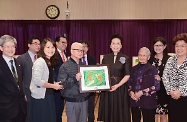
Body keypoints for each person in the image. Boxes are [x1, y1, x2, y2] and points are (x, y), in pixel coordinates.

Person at [97, 34, 131, 122]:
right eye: (113, 43)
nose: (115, 45)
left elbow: (127, 75)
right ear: (110, 45)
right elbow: (102, 73)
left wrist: (118, 85)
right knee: (108, 110)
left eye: (118, 43)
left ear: (121, 46)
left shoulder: (126, 58)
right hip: (108, 87)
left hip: (120, 88)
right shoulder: (105, 58)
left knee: (119, 111)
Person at [30, 38, 63, 122]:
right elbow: (37, 81)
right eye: (48, 47)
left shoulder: (48, 61)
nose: (50, 50)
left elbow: (46, 79)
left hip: (48, 95)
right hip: (41, 98)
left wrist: (55, 83)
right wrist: (53, 86)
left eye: (52, 47)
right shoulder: (40, 61)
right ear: (42, 48)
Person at [58, 42, 89, 122]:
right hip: (72, 100)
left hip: (84, 99)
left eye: (82, 51)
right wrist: (75, 78)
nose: (80, 52)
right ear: (71, 51)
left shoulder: (83, 65)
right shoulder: (65, 66)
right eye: (78, 50)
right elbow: (62, 84)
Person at [128, 47, 160, 122]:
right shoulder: (133, 69)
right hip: (135, 101)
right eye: (140, 55)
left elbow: (157, 86)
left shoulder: (153, 69)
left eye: (144, 55)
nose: (141, 57)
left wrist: (142, 92)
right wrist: (131, 92)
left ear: (148, 57)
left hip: (148, 101)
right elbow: (129, 84)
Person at [0, 35, 26, 122]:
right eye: (7, 46)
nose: (11, 49)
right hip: (4, 110)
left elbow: (20, 83)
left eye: (13, 46)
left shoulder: (18, 62)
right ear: (1, 48)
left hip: (21, 108)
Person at [162, 33, 187, 122]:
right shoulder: (170, 60)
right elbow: (165, 77)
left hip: (185, 97)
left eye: (182, 46)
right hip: (172, 97)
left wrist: (181, 91)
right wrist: (170, 91)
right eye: (177, 46)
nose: (179, 48)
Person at [17, 37, 40, 122]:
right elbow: (20, 78)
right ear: (29, 45)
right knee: (28, 115)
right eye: (35, 43)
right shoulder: (21, 58)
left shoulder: (41, 58)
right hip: (27, 92)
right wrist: (23, 93)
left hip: (39, 91)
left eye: (39, 44)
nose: (38, 45)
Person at [148, 37, 170, 122]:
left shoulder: (169, 59)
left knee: (163, 115)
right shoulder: (149, 59)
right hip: (152, 91)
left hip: (164, 91)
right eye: (156, 45)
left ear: (164, 46)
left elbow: (171, 75)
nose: (158, 47)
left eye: (160, 45)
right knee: (154, 115)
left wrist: (161, 78)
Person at [79, 40, 96, 122]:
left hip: (90, 88)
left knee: (90, 109)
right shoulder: (76, 59)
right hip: (78, 89)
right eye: (81, 46)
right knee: (80, 110)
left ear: (88, 48)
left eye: (85, 46)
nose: (83, 48)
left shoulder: (92, 58)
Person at [54, 35, 68, 122]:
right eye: (63, 42)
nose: (65, 44)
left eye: (66, 43)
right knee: (56, 110)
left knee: (60, 110)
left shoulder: (64, 54)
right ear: (56, 43)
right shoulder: (53, 54)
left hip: (63, 88)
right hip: (56, 87)